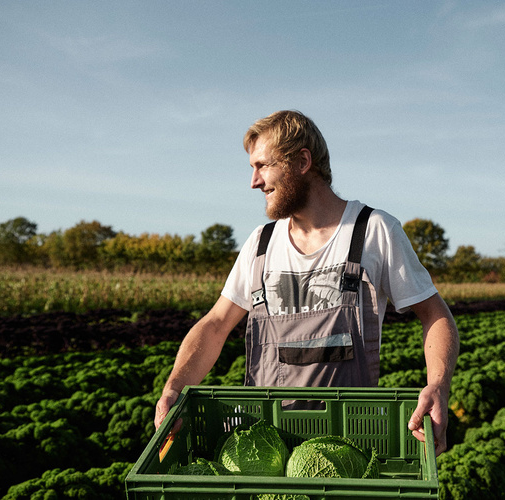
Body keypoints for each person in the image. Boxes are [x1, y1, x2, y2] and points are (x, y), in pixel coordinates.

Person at [154, 110, 459, 455]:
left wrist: (438, 386)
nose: (254, 182)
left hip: (349, 448)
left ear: (302, 161)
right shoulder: (261, 243)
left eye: (263, 165)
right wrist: (174, 386)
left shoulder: (373, 231)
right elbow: (215, 325)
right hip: (266, 448)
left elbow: (434, 314)